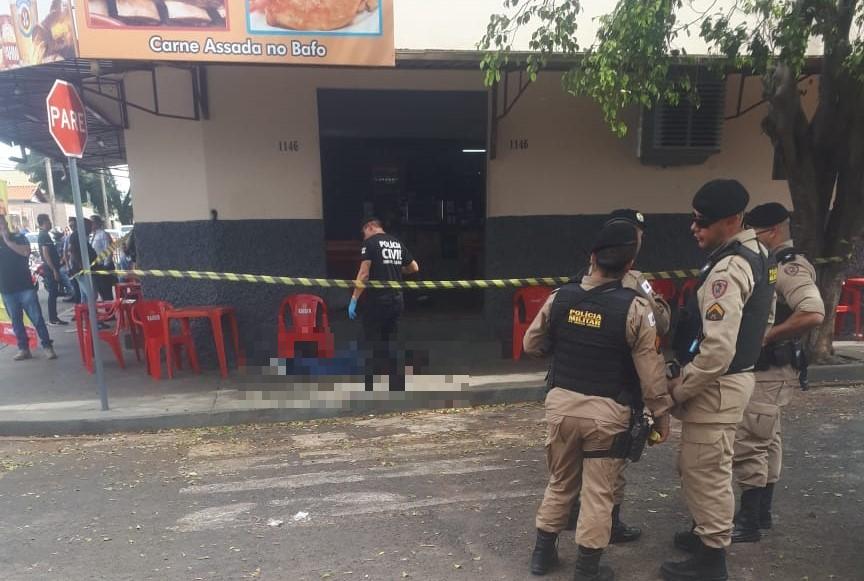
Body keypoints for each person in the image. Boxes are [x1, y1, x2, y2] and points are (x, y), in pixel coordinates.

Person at [524, 221, 672, 580]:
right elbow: (651, 374)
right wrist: (662, 416)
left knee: (560, 481)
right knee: (598, 492)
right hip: (607, 412)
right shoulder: (636, 307)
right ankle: (587, 570)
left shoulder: (561, 296)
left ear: (592, 257)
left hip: (561, 406)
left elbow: (532, 344)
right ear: (629, 265)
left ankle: (542, 556)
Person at [662, 180, 775, 581]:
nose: (694, 228)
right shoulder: (759, 254)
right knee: (705, 465)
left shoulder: (728, 268)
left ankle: (711, 560)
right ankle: (706, 535)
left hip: (717, 385)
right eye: (693, 220)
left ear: (731, 221)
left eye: (702, 222)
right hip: (732, 381)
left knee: (705, 470)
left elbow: (716, 352)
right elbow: (766, 317)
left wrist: (679, 388)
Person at [565, 208, 673, 544]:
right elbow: (661, 323)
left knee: (569, 461)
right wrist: (661, 411)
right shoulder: (634, 280)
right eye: (635, 235)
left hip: (570, 383)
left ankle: (570, 516)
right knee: (610, 463)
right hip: (617, 386)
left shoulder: (577, 277)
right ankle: (605, 525)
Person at [730, 202, 824, 541]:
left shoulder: (788, 266)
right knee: (768, 439)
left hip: (768, 369)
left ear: (770, 231)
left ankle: (748, 522)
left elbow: (813, 312)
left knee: (752, 440)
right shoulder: (770, 263)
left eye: (754, 232)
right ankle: (762, 514)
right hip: (772, 370)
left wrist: (765, 336)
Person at [349, 217, 419, 392]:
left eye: (364, 232)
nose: (363, 237)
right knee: (392, 340)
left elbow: (364, 274)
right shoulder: (396, 243)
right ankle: (395, 384)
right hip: (396, 300)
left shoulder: (370, 243)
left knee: (371, 340)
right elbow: (414, 267)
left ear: (371, 227)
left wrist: (354, 299)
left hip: (377, 301)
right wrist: (397, 270)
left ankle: (370, 385)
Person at [0, 215, 56, 360]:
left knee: (37, 318)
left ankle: (47, 346)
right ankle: (23, 348)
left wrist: (7, 241)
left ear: (6, 223)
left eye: (2, 223)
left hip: (25, 286)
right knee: (16, 321)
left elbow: (26, 252)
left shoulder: (18, 237)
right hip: (7, 289)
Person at [36, 214, 68, 326]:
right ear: (44, 222)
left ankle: (54, 317)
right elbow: (46, 254)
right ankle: (53, 318)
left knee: (54, 293)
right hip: (50, 269)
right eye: (48, 221)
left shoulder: (45, 235)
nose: (50, 223)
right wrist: (54, 269)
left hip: (52, 267)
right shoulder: (44, 236)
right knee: (53, 293)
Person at [89, 215, 116, 301]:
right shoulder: (93, 235)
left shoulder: (103, 234)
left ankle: (111, 313)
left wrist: (106, 265)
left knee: (107, 293)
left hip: (103, 266)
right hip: (96, 267)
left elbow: (108, 250)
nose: (90, 225)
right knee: (102, 293)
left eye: (91, 223)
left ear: (97, 223)